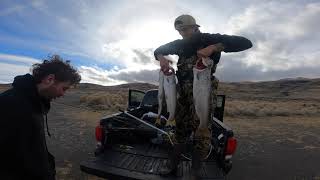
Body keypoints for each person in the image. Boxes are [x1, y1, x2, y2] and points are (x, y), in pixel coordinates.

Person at [154, 14, 252, 179]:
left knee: (202, 130)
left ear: (195, 26)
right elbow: (158, 50)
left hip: (204, 92)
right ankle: (172, 164)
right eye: (179, 30)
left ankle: (196, 169)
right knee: (180, 130)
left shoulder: (210, 38)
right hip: (183, 94)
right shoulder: (179, 45)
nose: (183, 33)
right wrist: (161, 58)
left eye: (185, 29)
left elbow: (245, 43)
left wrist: (214, 47)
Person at [0, 55, 81, 180]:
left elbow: (34, 148)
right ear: (50, 79)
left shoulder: (36, 102)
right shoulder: (9, 103)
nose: (62, 94)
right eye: (64, 88)